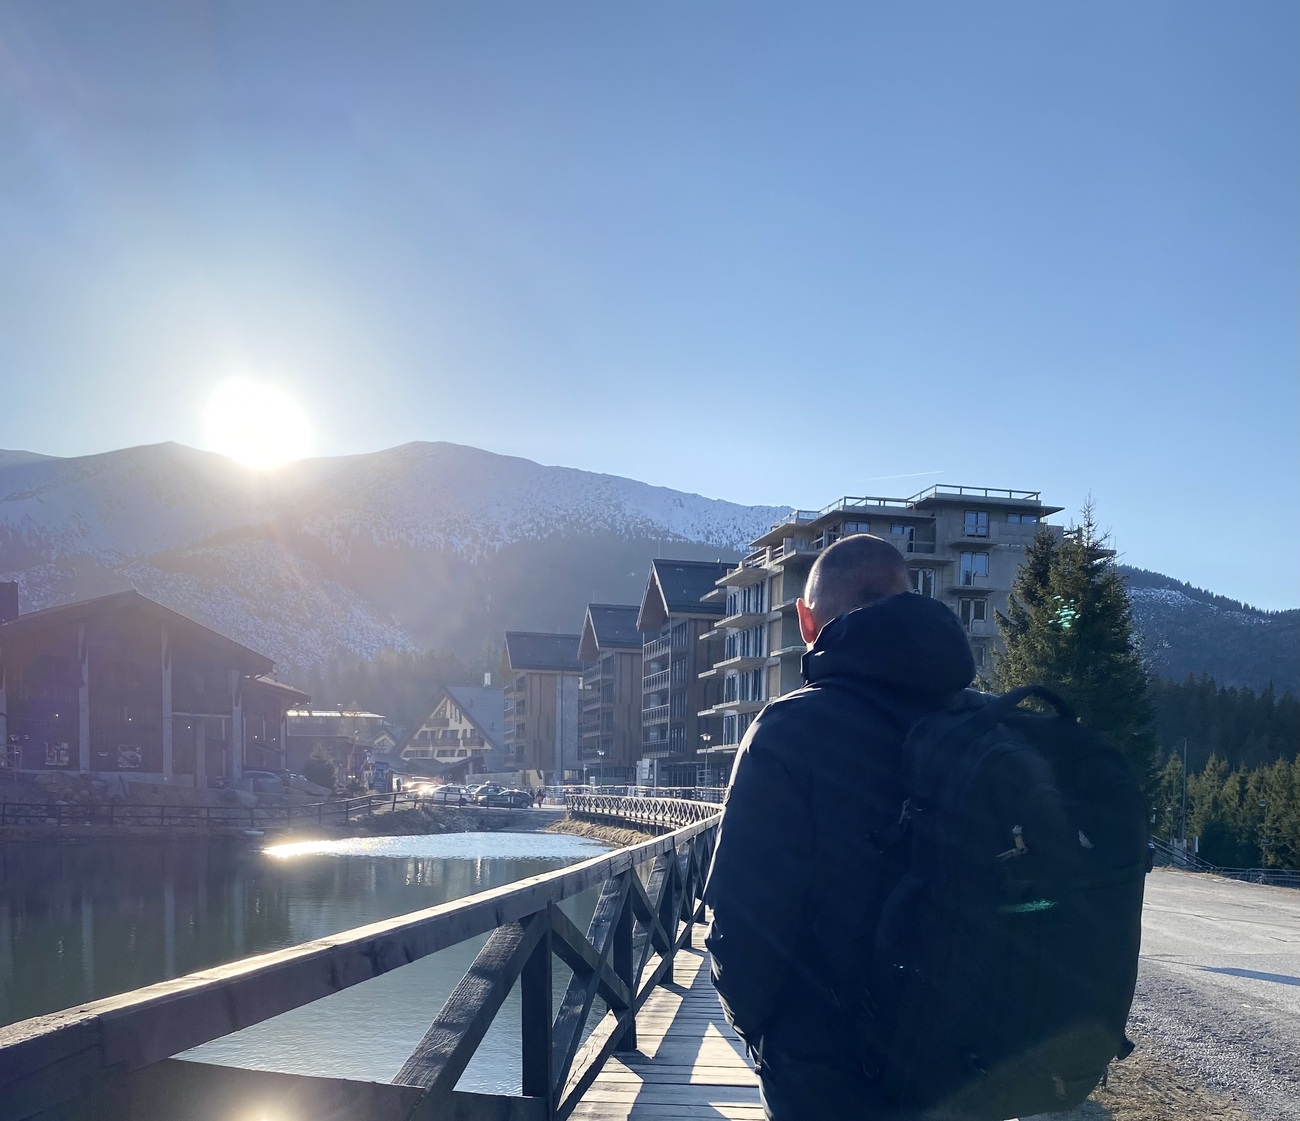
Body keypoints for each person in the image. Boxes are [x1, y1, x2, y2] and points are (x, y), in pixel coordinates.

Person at [704, 533, 977, 1121]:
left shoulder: (790, 730)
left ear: (807, 621)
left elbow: (744, 918)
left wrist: (759, 1033)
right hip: (969, 1058)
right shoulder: (982, 726)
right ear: (908, 598)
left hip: (828, 1066)